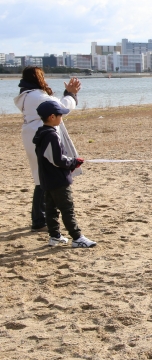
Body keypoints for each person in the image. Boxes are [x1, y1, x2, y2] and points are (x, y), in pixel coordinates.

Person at [14, 66, 81, 232]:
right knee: (45, 176)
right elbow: (61, 107)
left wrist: (69, 94)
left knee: (41, 175)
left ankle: (39, 217)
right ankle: (39, 219)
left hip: (32, 134)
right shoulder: (37, 96)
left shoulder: (26, 96)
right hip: (42, 135)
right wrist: (71, 94)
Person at [33, 100, 96, 248]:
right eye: (60, 115)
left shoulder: (41, 133)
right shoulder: (51, 136)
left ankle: (55, 236)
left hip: (47, 179)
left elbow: (49, 158)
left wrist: (71, 162)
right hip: (58, 181)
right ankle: (77, 238)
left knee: (51, 209)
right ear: (52, 117)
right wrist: (74, 162)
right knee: (67, 209)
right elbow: (57, 160)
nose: (62, 118)